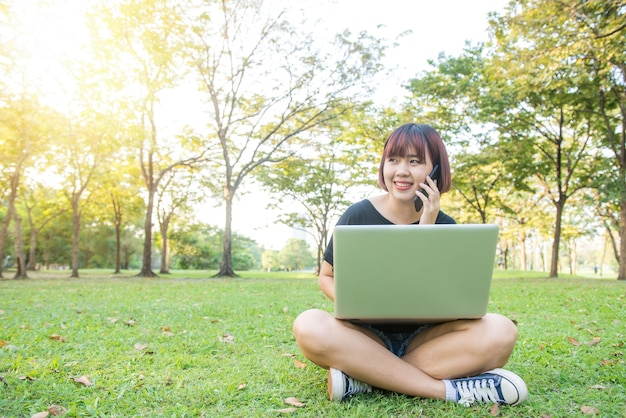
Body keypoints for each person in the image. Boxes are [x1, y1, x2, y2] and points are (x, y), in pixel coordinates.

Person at [292, 123, 528, 407]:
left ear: (436, 171)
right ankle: (447, 391)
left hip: (428, 340)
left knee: (501, 331)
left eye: (415, 161)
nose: (401, 171)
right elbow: (326, 277)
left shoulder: (446, 226)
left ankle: (365, 376)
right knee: (308, 324)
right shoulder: (358, 214)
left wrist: (426, 231)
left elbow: (453, 299)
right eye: (393, 160)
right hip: (364, 336)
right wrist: (358, 302)